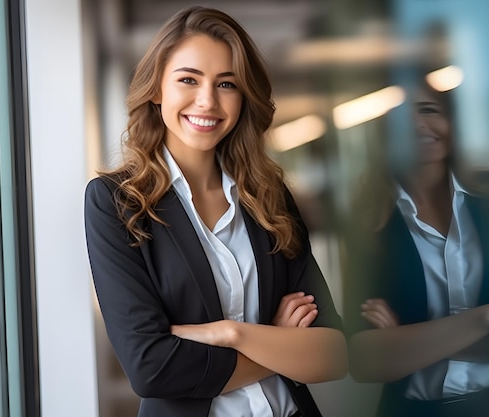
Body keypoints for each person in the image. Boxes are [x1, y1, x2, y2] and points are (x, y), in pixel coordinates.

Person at [84, 6, 347, 417]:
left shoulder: (269, 197)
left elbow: (333, 352)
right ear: (157, 89)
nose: (207, 101)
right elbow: (152, 369)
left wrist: (231, 333)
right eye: (188, 79)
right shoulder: (115, 203)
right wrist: (278, 340)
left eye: (226, 83)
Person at [343, 74, 489, 417]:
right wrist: (487, 319)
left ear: (453, 121)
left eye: (429, 110)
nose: (418, 124)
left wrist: (408, 343)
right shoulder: (370, 226)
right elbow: (365, 360)